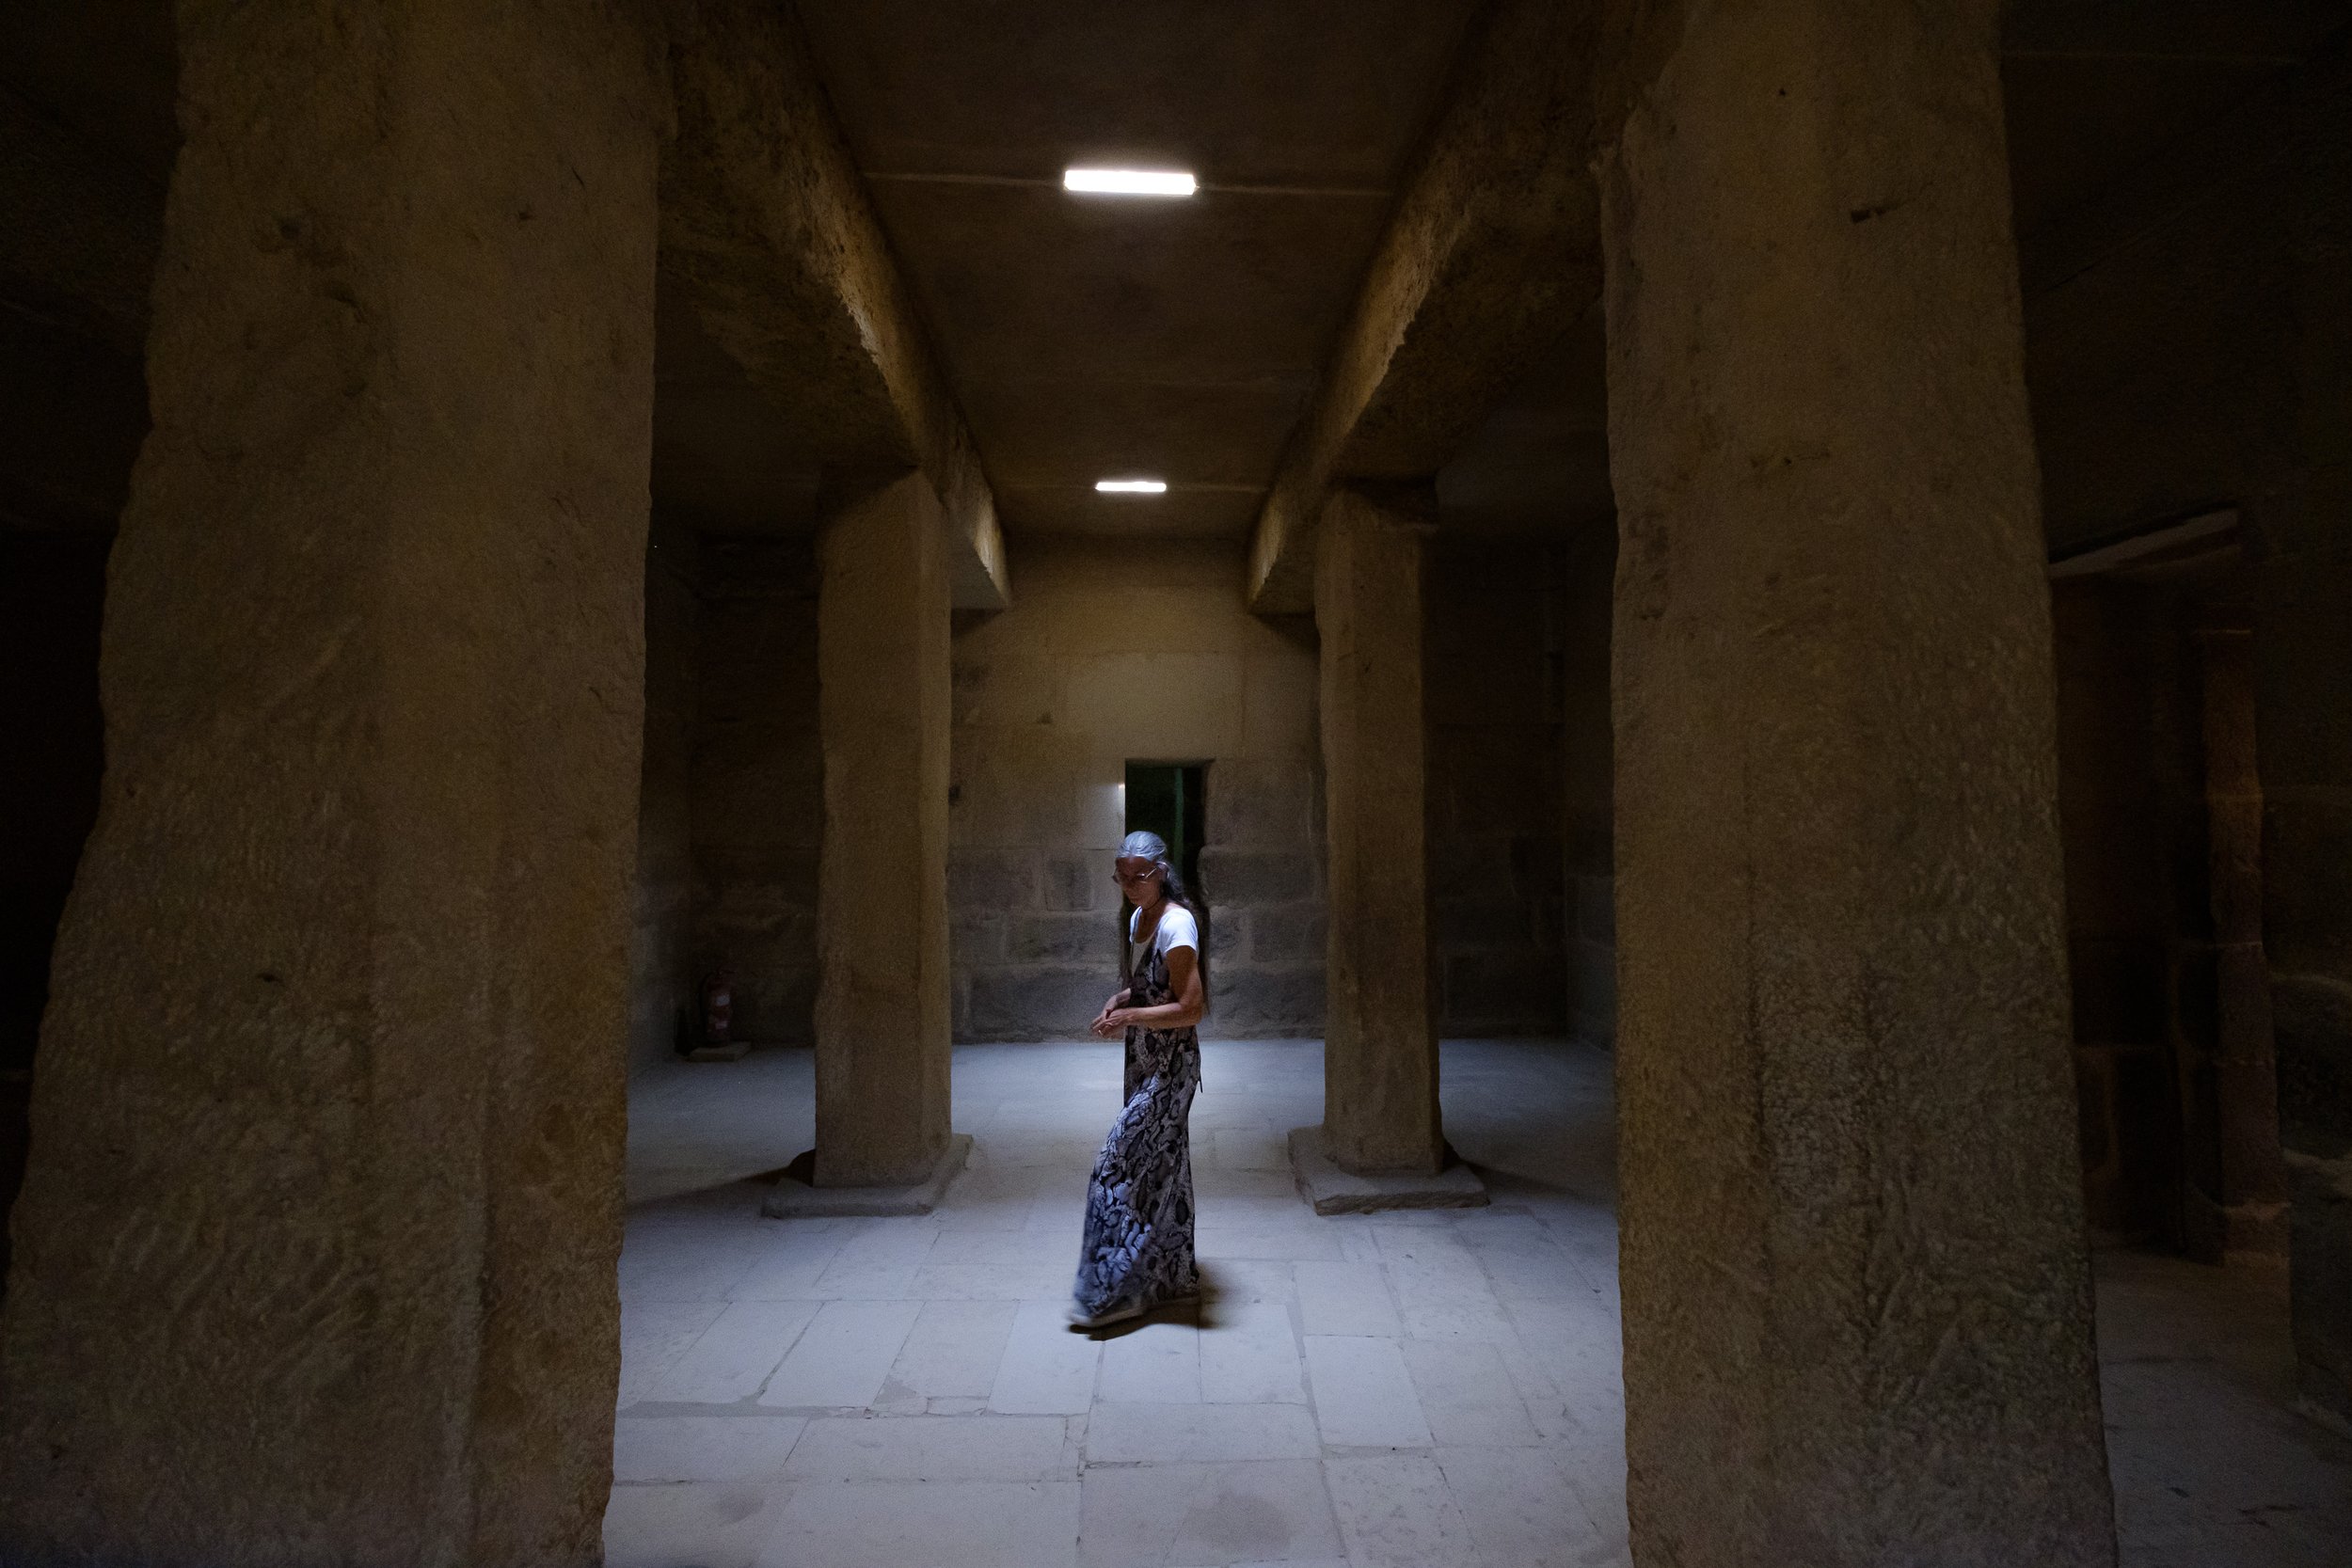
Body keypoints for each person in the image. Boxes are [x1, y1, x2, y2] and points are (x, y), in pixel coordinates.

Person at [1070, 830, 1206, 1329]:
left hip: (1170, 1068)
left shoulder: (1178, 926)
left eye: (1140, 877)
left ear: (1161, 873)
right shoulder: (1137, 918)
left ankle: (1115, 1290)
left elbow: (1191, 1009)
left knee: (1114, 1167)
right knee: (1161, 1169)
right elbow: (1147, 989)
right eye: (1122, 877)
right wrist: (1120, 1001)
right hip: (1141, 1060)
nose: (1130, 885)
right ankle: (1170, 1278)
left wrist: (1130, 1020)